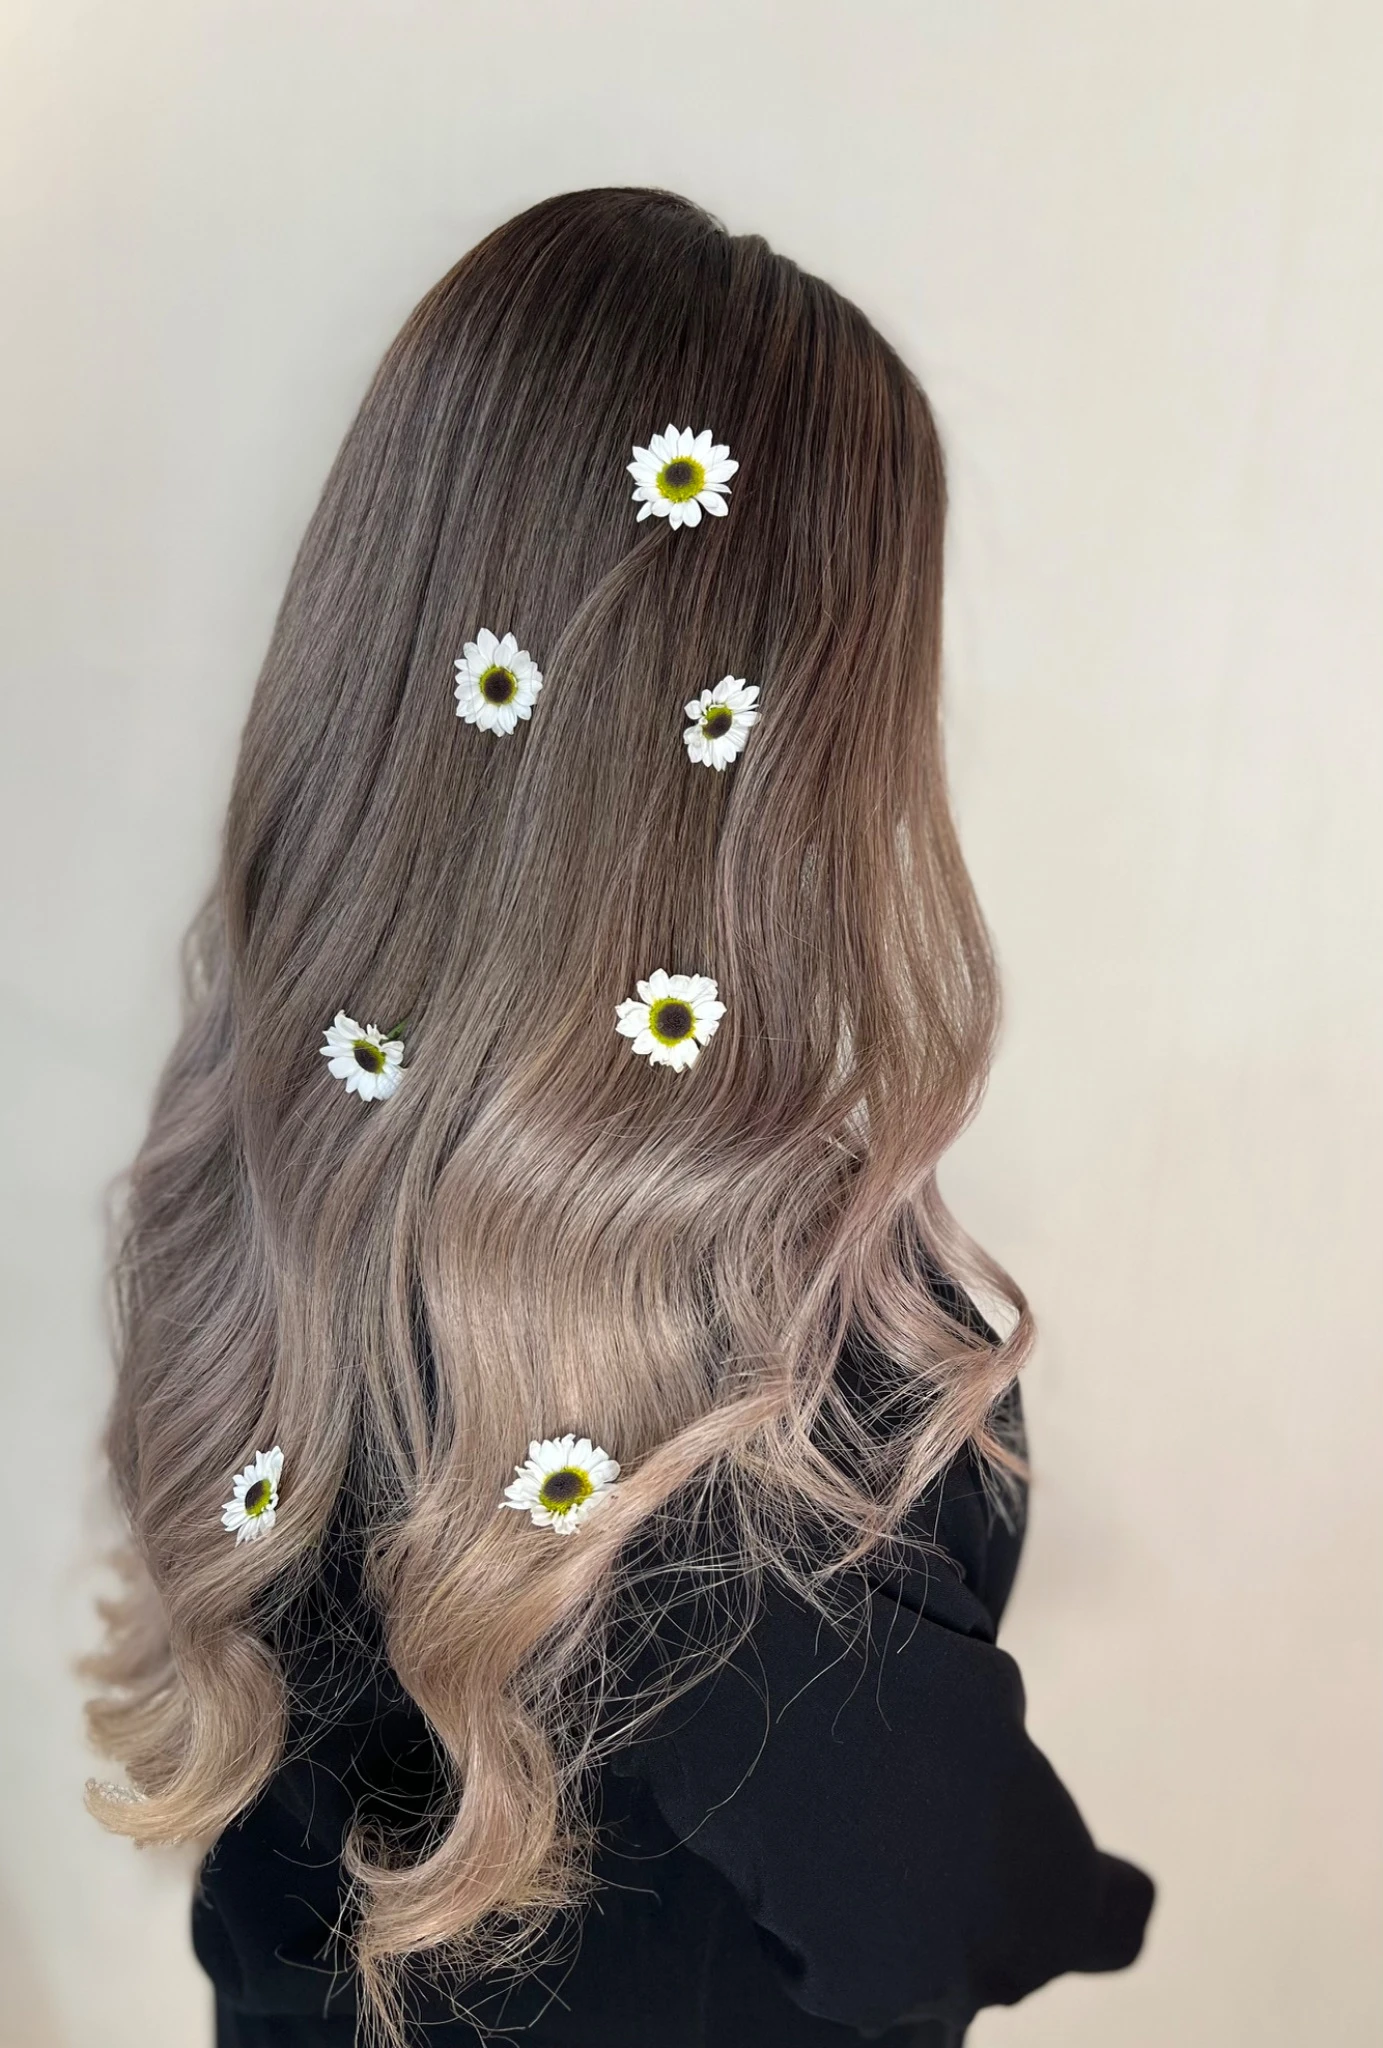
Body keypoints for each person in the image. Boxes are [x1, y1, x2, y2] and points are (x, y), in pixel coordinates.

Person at [85, 187, 1154, 2047]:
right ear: (814, 752)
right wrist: (1094, 1902)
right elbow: (935, 1910)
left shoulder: (272, 1177)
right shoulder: (783, 1403)